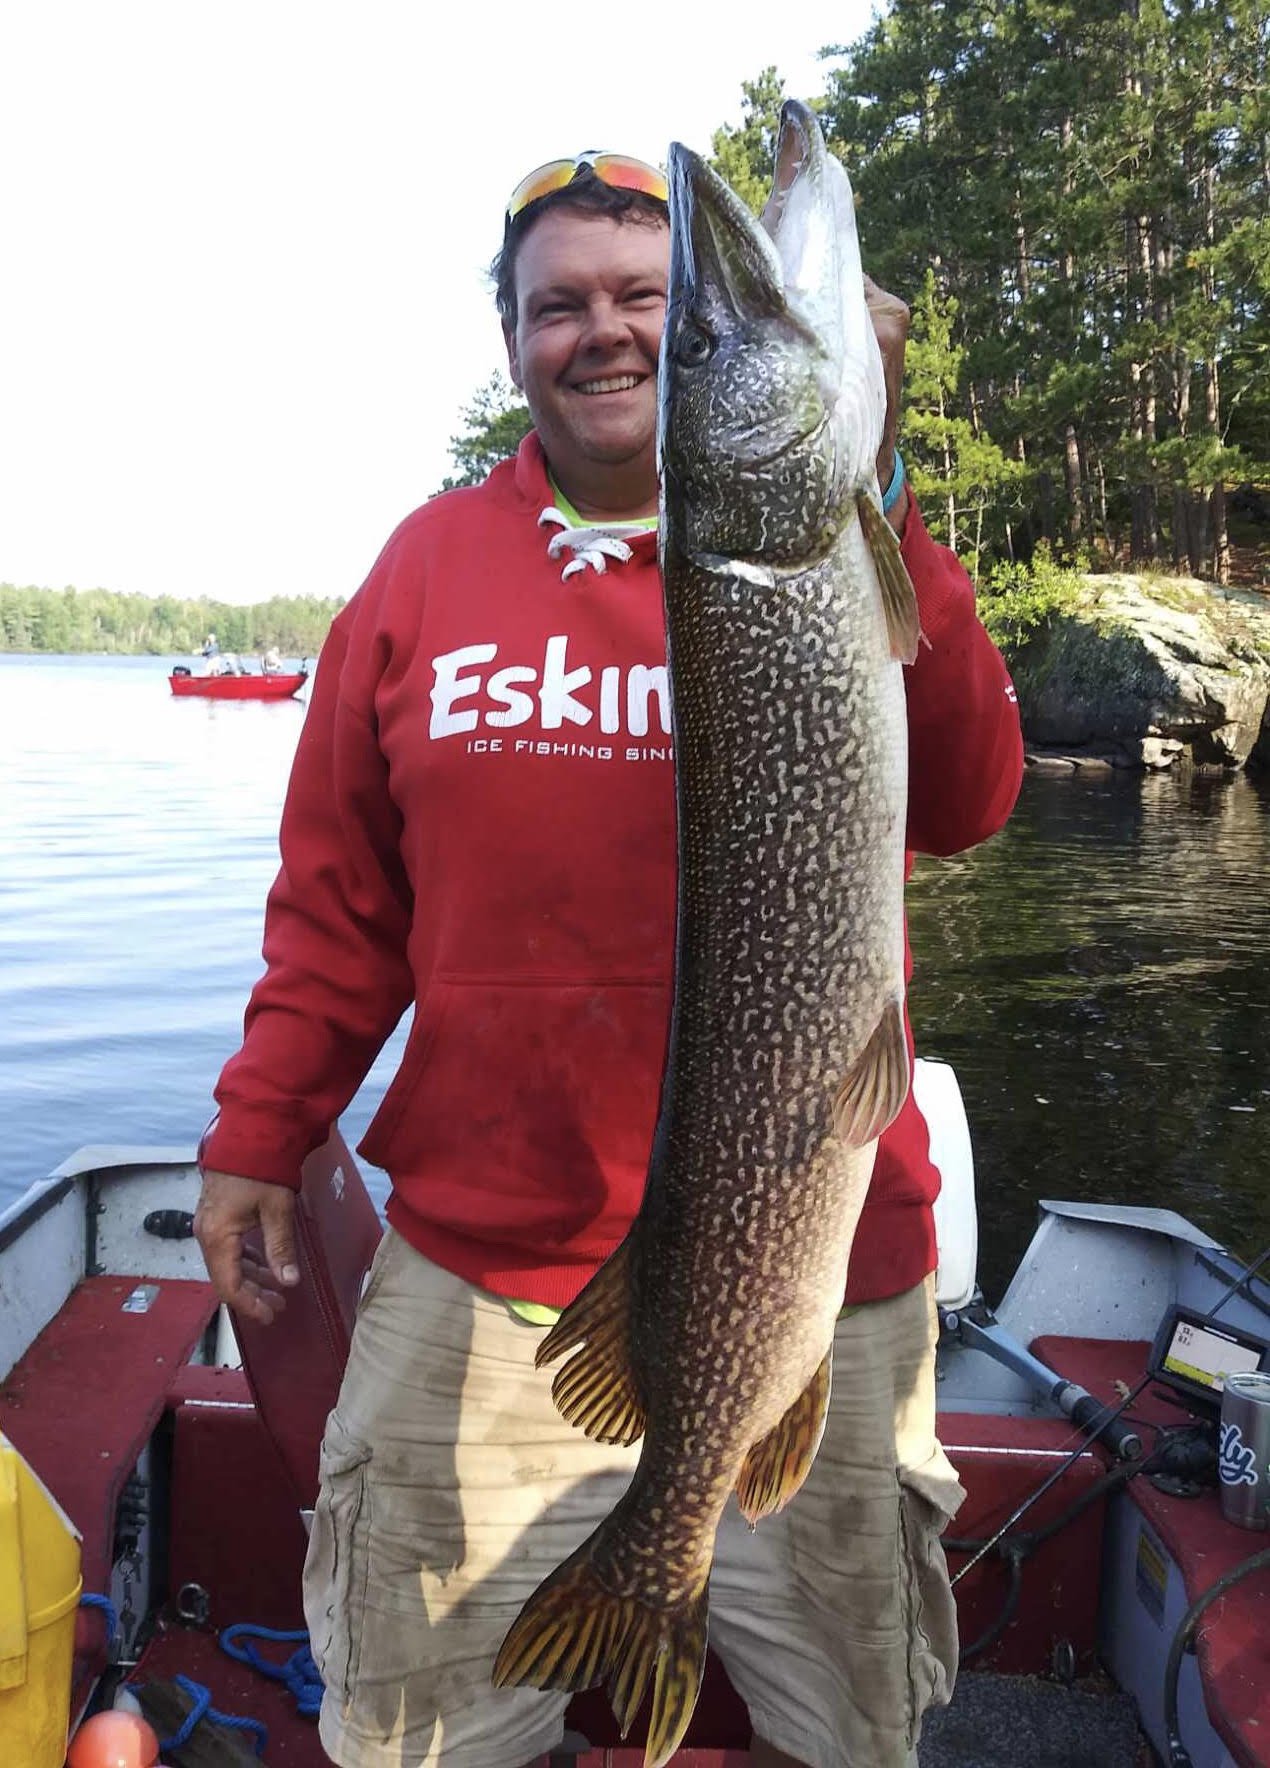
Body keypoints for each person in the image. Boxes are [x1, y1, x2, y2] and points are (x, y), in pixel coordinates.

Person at [194, 149, 1023, 1768]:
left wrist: (884, 478)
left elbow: (974, 794)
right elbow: (338, 907)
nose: (610, 332)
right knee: (424, 1731)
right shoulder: (424, 568)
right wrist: (256, 1131)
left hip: (824, 1262)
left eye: (652, 301)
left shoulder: (841, 548)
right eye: (555, 304)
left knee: (849, 1727)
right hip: (484, 1266)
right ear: (509, 342)